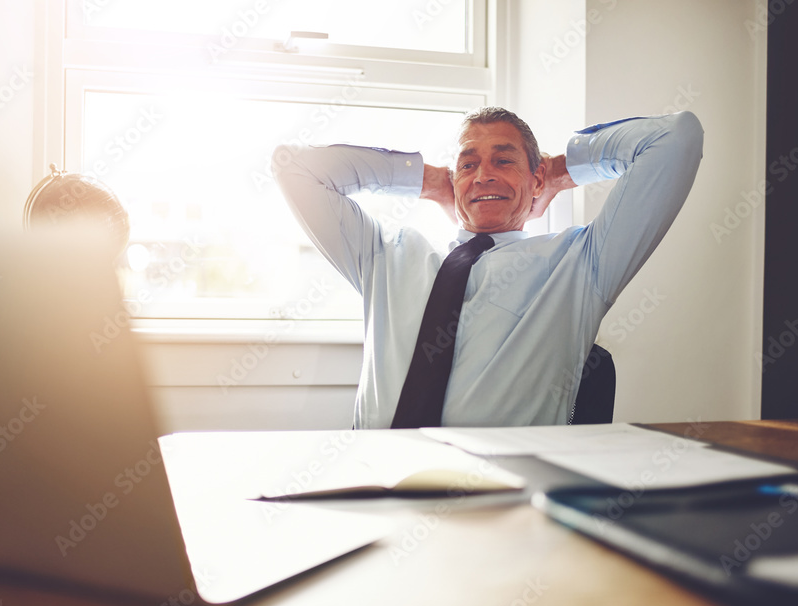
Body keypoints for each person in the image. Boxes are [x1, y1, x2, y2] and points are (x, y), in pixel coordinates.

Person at [274, 109, 703, 428]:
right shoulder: (387, 257)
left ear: (534, 180)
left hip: (502, 501)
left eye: (503, 160)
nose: (482, 176)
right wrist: (423, 179)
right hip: (371, 486)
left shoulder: (579, 264)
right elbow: (293, 167)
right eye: (468, 164)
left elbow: (676, 138)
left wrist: (560, 171)